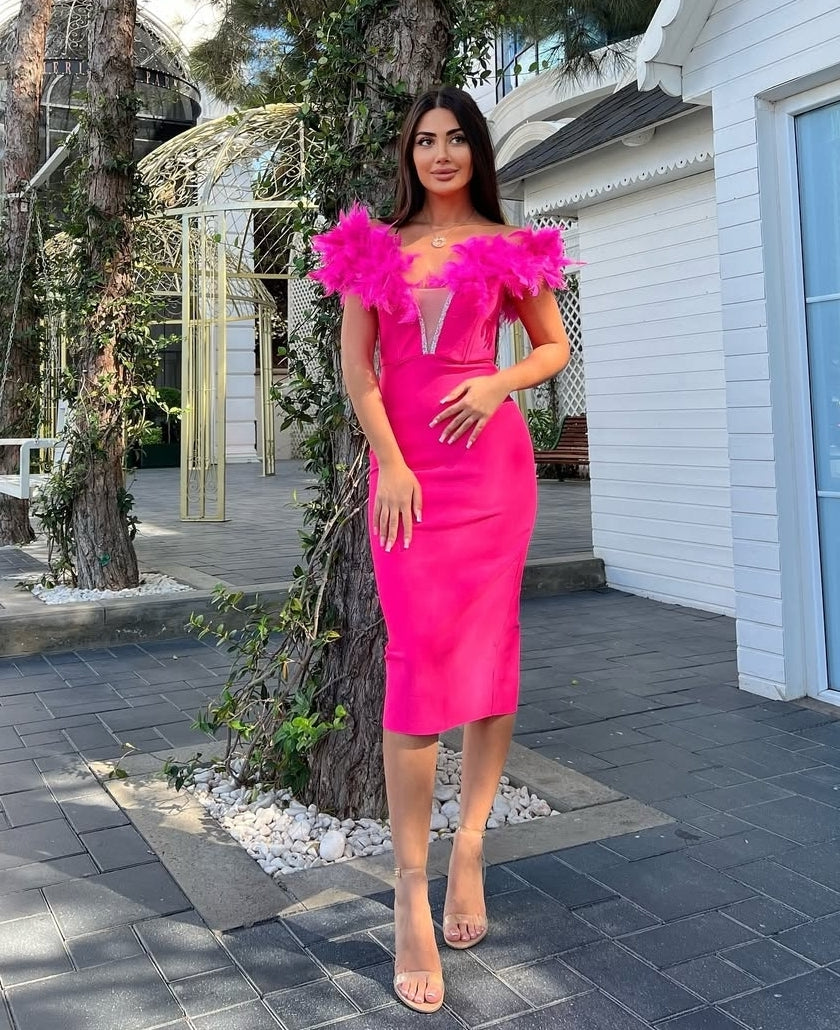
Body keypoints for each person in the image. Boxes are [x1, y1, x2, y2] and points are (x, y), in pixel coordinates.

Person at [311, 85, 571, 1015]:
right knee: (417, 666)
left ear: (477, 151)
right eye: (426, 140)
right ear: (409, 154)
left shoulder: (510, 247)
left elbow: (552, 348)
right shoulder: (371, 248)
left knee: (491, 653)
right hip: (409, 481)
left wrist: (499, 383)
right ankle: (408, 891)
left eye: (457, 138)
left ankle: (470, 848)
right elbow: (357, 367)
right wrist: (389, 463)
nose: (442, 153)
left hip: (493, 479)